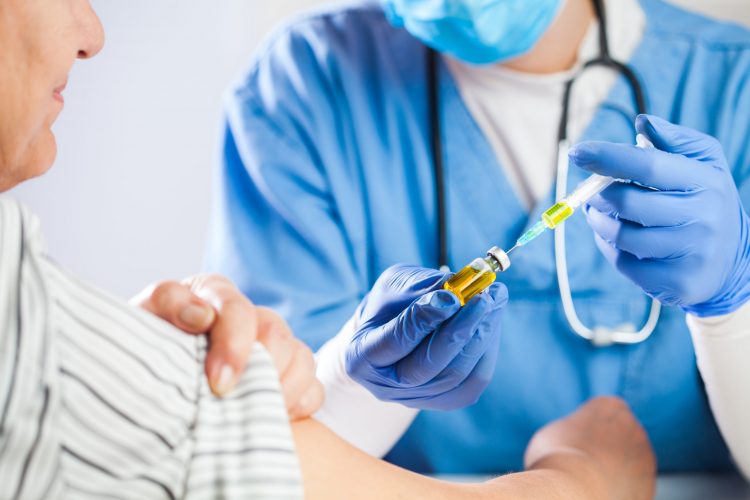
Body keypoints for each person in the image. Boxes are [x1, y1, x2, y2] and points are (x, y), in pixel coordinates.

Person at [0, 0, 657, 498]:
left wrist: (136, 364)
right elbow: (250, 470)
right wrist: (579, 482)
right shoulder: (309, 80)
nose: (93, 34)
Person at [206, 0, 750, 477]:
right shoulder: (306, 84)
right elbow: (272, 460)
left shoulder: (731, 85)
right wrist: (358, 386)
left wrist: (732, 310)